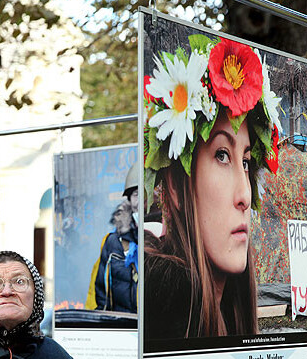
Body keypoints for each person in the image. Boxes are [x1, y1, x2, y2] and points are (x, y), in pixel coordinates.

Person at [142, 35, 282, 338]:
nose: (245, 196)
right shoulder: (169, 303)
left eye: (245, 162)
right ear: (176, 187)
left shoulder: (229, 305)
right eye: (221, 155)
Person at [87, 161, 139, 313]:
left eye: (145, 193)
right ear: (128, 200)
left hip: (151, 331)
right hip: (122, 327)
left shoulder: (162, 237)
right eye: (136, 194)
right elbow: (101, 291)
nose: (140, 201)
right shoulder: (113, 242)